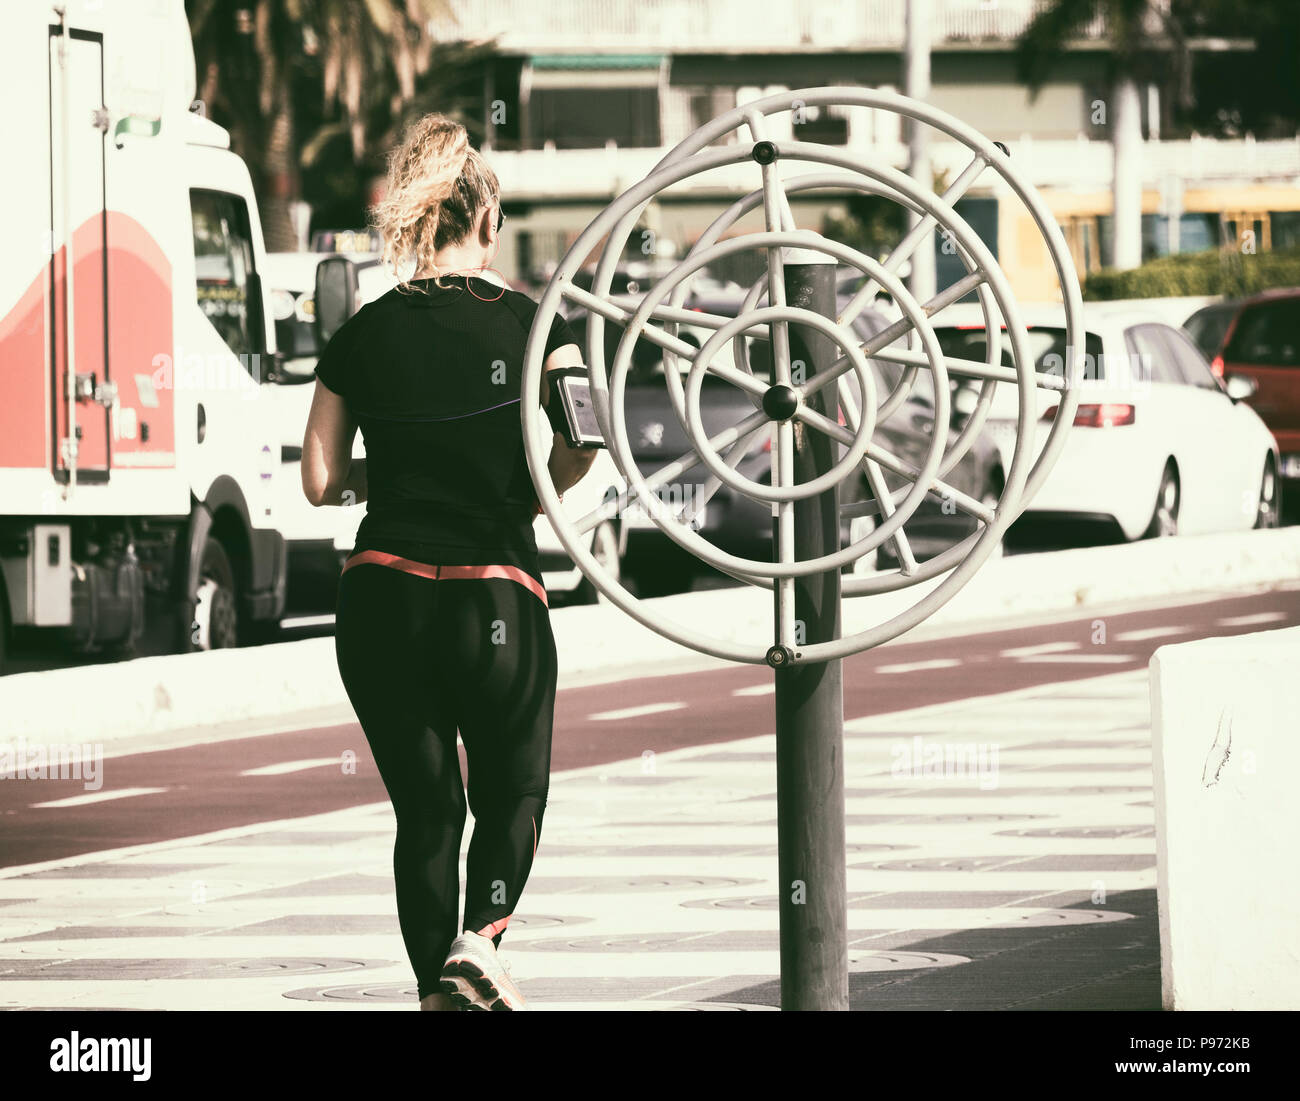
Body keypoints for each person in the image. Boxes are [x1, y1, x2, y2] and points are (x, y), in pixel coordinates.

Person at [301, 112, 596, 1011]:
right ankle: (481, 939)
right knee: (515, 792)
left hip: (380, 597)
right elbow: (584, 440)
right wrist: (532, 478)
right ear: (487, 221)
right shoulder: (538, 319)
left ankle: (440, 992)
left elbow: (319, 479)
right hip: (493, 593)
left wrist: (392, 465)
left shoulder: (362, 329)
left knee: (426, 814)